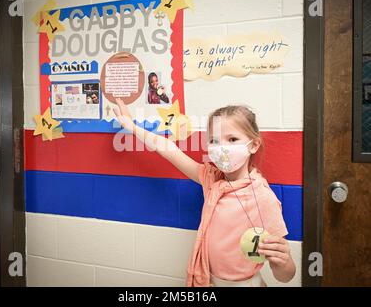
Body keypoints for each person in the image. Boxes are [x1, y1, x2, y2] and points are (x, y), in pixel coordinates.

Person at [113, 99, 296, 287]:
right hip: (209, 282)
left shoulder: (263, 197)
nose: (222, 147)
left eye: (232, 139)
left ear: (253, 145)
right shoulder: (211, 180)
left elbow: (285, 276)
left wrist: (283, 261)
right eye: (214, 141)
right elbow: (169, 150)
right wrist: (132, 126)